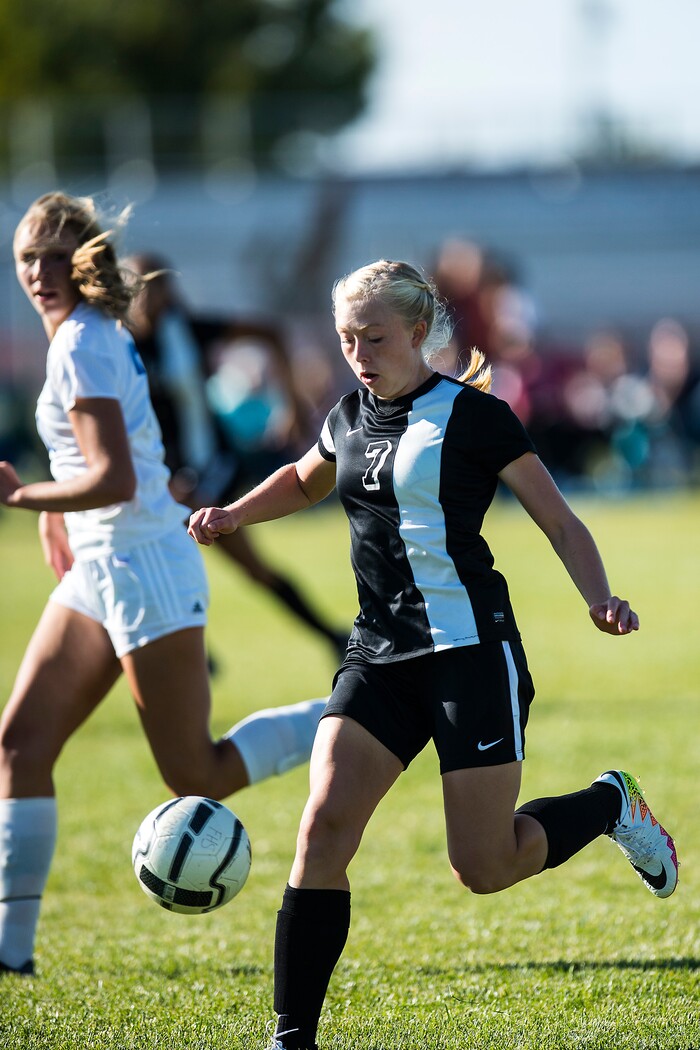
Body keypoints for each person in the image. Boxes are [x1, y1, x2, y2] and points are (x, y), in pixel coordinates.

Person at [189, 259, 679, 1050]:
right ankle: (291, 1037)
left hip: (470, 657)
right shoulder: (346, 414)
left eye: (374, 337)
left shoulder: (476, 417)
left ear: (418, 333)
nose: (358, 352)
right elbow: (306, 479)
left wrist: (599, 596)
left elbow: (559, 519)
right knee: (321, 830)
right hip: (377, 656)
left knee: (483, 866)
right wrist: (235, 515)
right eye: (348, 337)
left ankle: (611, 804)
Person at [0, 192, 328, 977]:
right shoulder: (88, 336)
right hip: (101, 565)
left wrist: (23, 497)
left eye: (53, 256)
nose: (37, 272)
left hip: (145, 563)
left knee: (196, 773)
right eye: (25, 258)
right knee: (19, 745)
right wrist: (56, 512)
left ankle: (359, 713)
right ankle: (10, 957)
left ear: (81, 264)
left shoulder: (82, 341)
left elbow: (112, 478)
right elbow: (107, 459)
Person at [126, 254, 349, 664]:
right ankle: (195, 654)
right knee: (152, 560)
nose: (148, 297)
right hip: (157, 476)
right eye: (139, 287)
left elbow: (270, 333)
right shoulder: (121, 344)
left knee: (244, 566)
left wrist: (292, 404)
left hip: (210, 466)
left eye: (156, 286)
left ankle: (328, 636)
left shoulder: (186, 331)